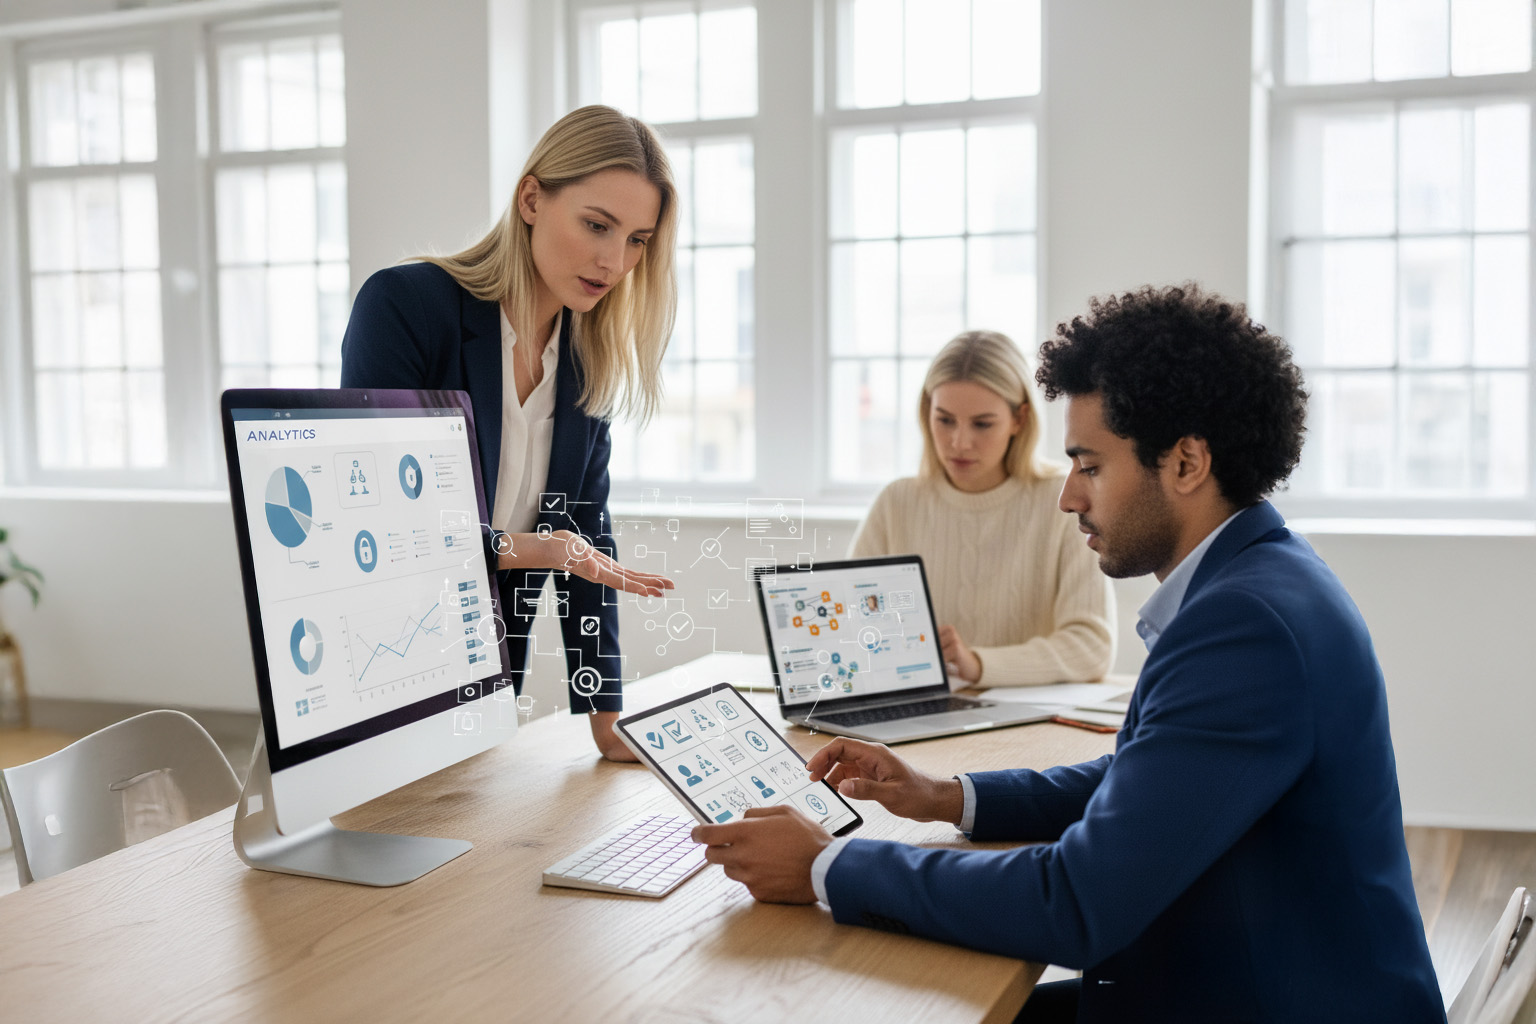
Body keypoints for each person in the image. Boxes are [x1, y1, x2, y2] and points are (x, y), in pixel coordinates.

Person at [692, 285, 1444, 1022]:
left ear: (1186, 464)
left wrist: (827, 864)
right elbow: (1146, 776)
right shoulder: (1257, 579)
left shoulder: (1245, 626)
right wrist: (946, 797)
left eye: (1089, 465)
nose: (1069, 497)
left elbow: (1077, 902)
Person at [341, 105, 677, 762]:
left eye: (638, 240)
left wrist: (607, 717)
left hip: (488, 672)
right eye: (597, 225)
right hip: (380, 666)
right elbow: (382, 528)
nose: (615, 260)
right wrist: (533, 548)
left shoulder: (586, 356)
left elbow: (586, 542)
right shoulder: (406, 308)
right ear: (531, 198)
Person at [848, 331, 1113, 687]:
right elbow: (850, 631)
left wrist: (977, 664)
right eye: (944, 420)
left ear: (1019, 419)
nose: (959, 442)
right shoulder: (896, 502)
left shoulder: (1064, 502)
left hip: (1027, 724)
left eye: (982, 424)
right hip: (920, 714)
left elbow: (1091, 648)